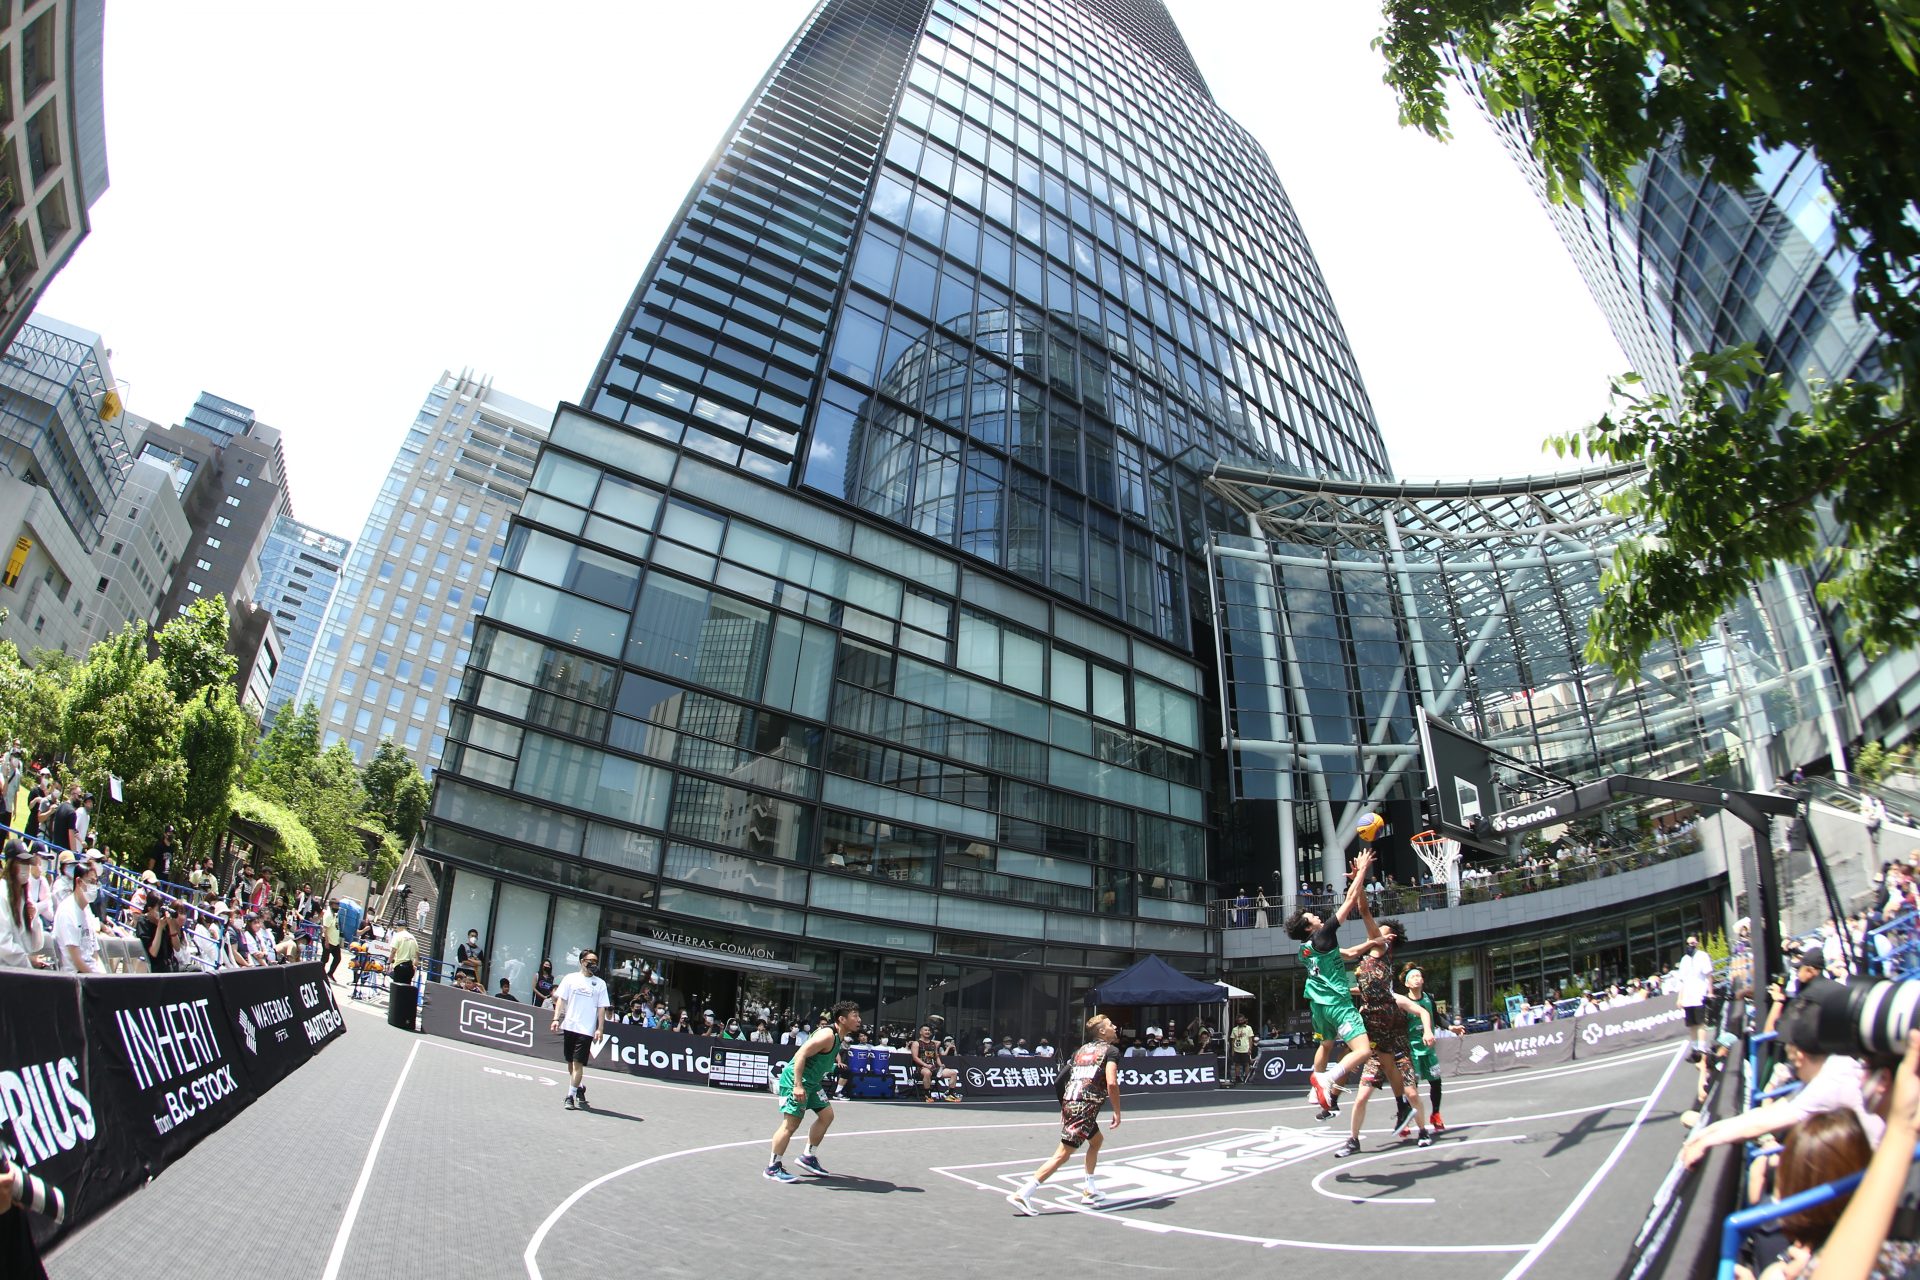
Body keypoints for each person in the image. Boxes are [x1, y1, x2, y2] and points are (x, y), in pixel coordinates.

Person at [1288, 841, 1385, 1118]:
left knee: (1326, 1044)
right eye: (1312, 916)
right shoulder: (1323, 935)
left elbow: (1350, 953)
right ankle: (1329, 1079)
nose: (1317, 915)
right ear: (1309, 927)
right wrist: (1361, 871)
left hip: (1318, 1007)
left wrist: (1372, 943)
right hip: (1337, 1004)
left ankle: (1314, 1089)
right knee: (1363, 1050)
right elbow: (1350, 902)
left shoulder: (1306, 949)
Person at [1007, 1013, 1124, 1214]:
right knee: (1062, 1154)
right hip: (1085, 1107)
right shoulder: (1110, 1051)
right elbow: (1112, 1083)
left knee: (1096, 1141)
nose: (1114, 1027)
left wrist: (1065, 1104)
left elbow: (1059, 1079)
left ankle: (1090, 1189)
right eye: (1111, 1024)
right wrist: (1117, 1111)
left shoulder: (1080, 1051)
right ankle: (1023, 1193)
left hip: (1073, 1102)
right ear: (1102, 1031)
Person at [766, 1000, 862, 1182]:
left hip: (812, 1082)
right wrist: (797, 1085)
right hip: (796, 1081)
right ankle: (772, 1167)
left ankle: (808, 1157)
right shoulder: (827, 1035)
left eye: (859, 1016)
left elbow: (820, 1058)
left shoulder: (838, 1036)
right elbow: (800, 1055)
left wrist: (833, 1067)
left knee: (827, 1116)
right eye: (855, 1016)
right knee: (791, 1125)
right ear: (842, 1019)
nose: (859, 1020)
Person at [549, 950, 611, 1111]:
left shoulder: (600, 984)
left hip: (586, 1030)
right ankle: (579, 1087)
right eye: (590, 960)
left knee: (578, 1063)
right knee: (570, 1063)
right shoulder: (570, 978)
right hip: (570, 1026)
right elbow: (561, 1000)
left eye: (595, 961)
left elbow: (601, 1008)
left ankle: (570, 1096)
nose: (593, 964)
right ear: (582, 961)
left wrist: (600, 1028)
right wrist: (556, 1019)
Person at [1402, 965, 1458, 1130]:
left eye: (1419, 976)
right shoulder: (1404, 1002)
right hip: (1412, 1050)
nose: (1417, 978)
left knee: (1436, 1082)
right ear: (1407, 984)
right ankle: (1406, 1118)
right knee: (1412, 1087)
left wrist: (1451, 1027)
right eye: (1413, 977)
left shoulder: (1428, 998)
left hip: (1429, 1049)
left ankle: (1436, 1114)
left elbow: (1437, 1018)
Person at [1, 839, 49, 969]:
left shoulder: (25, 896)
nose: (25, 867)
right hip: (6, 970)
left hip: (22, 969)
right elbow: (3, 944)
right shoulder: (2, 894)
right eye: (21, 862)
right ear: (10, 864)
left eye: (27, 863)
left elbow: (36, 944)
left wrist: (34, 918)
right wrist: (27, 960)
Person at [55, 859, 104, 974]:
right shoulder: (67, 911)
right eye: (90, 882)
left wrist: (103, 975)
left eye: (95, 883)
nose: (93, 887)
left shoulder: (87, 911)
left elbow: (95, 954)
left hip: (91, 973)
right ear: (78, 882)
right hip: (75, 975)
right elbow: (77, 961)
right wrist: (98, 978)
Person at [911, 1024, 947, 1101]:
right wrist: (926, 1065)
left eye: (929, 1030)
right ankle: (927, 1094)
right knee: (927, 1073)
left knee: (953, 1073)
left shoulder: (933, 1044)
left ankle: (950, 1094)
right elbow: (915, 1057)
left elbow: (936, 1056)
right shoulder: (916, 1043)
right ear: (920, 1032)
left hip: (934, 1068)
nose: (927, 1032)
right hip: (921, 1068)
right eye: (925, 1030)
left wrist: (941, 1065)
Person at [1228, 1014, 1255, 1086]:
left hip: (1245, 1049)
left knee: (1246, 1064)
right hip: (1237, 1049)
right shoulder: (1234, 1029)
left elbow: (1250, 1039)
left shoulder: (1248, 1028)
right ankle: (1237, 1077)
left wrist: (1250, 1049)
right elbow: (1233, 1040)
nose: (1240, 1022)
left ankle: (1247, 1077)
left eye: (1241, 1020)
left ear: (1244, 1020)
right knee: (1237, 1064)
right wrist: (1232, 1050)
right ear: (1237, 1021)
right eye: (1239, 1020)